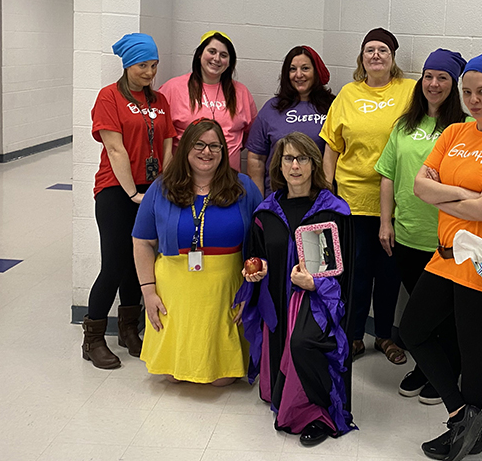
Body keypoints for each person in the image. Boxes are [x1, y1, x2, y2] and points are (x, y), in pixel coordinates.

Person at [400, 54, 482, 461]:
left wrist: (451, 195)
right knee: (413, 330)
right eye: (468, 92)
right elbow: (420, 187)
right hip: (445, 254)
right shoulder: (454, 131)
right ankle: (462, 417)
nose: (474, 99)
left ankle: (467, 436)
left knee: (471, 347)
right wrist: (470, 196)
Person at [237, 132, 355, 446]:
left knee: (303, 343)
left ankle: (320, 413)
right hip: (277, 298)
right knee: (282, 343)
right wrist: (257, 269)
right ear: (279, 164)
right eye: (288, 158)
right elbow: (258, 254)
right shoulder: (266, 212)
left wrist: (314, 283)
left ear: (314, 164)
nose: (295, 166)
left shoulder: (331, 211)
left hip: (318, 301)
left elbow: (341, 274)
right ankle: (285, 395)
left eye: (302, 158)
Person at [131, 119, 263, 385]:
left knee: (221, 379)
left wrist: (253, 293)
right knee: (170, 375)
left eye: (215, 146)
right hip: (174, 290)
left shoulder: (244, 188)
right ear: (186, 148)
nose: (207, 152)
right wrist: (148, 291)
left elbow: (262, 244)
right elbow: (142, 241)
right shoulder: (161, 188)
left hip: (225, 291)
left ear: (224, 152)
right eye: (199, 144)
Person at [374, 49, 470, 406]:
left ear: (454, 84)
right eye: (428, 76)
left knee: (442, 315)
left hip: (443, 238)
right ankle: (427, 366)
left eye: (442, 77)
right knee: (417, 307)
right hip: (407, 233)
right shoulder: (404, 125)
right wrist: (386, 222)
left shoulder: (462, 128)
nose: (433, 84)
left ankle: (444, 372)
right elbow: (387, 176)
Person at [320, 27, 415, 363]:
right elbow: (332, 146)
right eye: (369, 50)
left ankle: (386, 337)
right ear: (361, 57)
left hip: (397, 199)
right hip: (353, 200)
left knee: (389, 274)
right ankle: (356, 335)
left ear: (392, 58)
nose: (376, 55)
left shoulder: (410, 91)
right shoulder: (347, 94)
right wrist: (327, 192)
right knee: (356, 273)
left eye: (383, 51)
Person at [83, 33, 175, 370]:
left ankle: (127, 329)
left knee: (143, 263)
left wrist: (162, 186)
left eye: (154, 65)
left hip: (152, 190)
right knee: (115, 262)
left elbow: (166, 143)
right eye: (142, 66)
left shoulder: (160, 99)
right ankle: (92, 338)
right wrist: (133, 193)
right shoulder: (109, 97)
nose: (150, 72)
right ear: (127, 65)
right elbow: (115, 149)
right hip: (115, 189)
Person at [159, 31, 257, 171]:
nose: (216, 59)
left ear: (229, 62)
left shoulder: (241, 92)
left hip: (228, 179)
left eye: (223, 55)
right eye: (212, 51)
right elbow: (158, 132)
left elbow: (251, 136)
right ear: (200, 54)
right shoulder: (173, 88)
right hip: (183, 176)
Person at [247, 45, 334, 196]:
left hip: (319, 199)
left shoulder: (333, 107)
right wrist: (259, 200)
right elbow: (256, 158)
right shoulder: (272, 108)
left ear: (316, 72)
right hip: (278, 199)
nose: (298, 75)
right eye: (293, 69)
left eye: (305, 68)